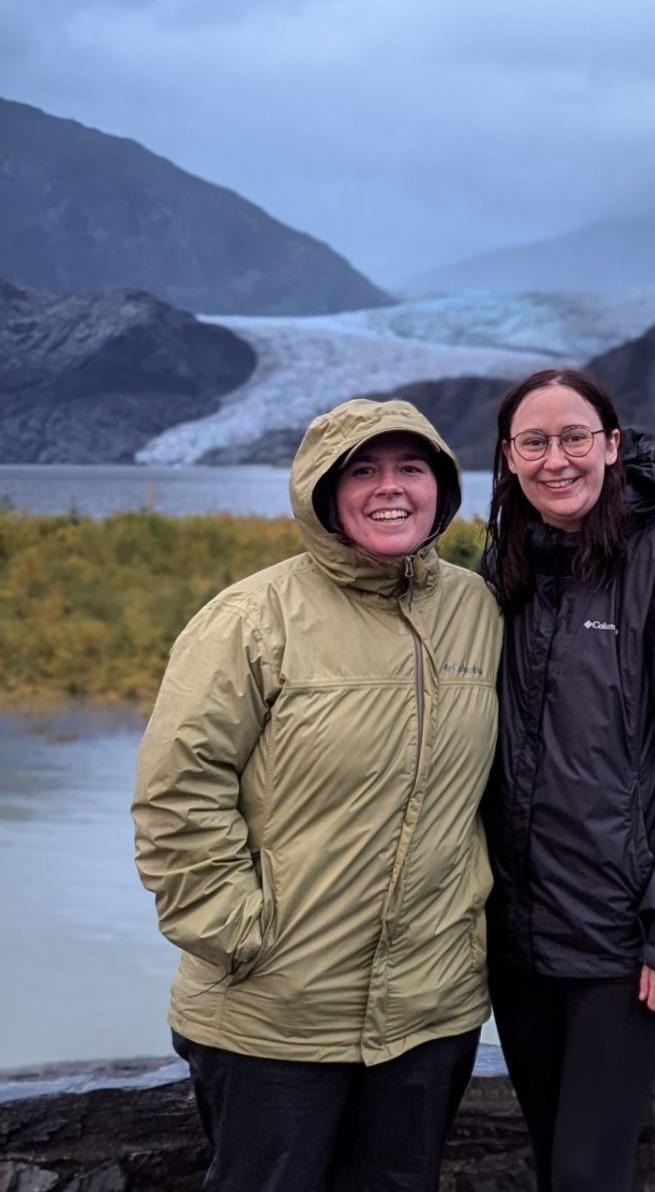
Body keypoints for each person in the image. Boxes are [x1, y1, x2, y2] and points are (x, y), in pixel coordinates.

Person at [132, 398, 502, 1192]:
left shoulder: (479, 609)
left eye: (411, 468)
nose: (390, 488)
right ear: (323, 493)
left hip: (430, 1012)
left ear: (441, 487)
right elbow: (176, 799)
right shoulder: (248, 619)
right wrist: (242, 936)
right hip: (272, 1015)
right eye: (363, 470)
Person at [482, 368, 655, 1192]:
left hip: (620, 943)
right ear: (508, 456)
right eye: (534, 441)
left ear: (611, 445)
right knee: (550, 1156)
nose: (555, 459)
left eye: (574, 437)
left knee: (585, 1174)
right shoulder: (505, 566)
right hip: (516, 938)